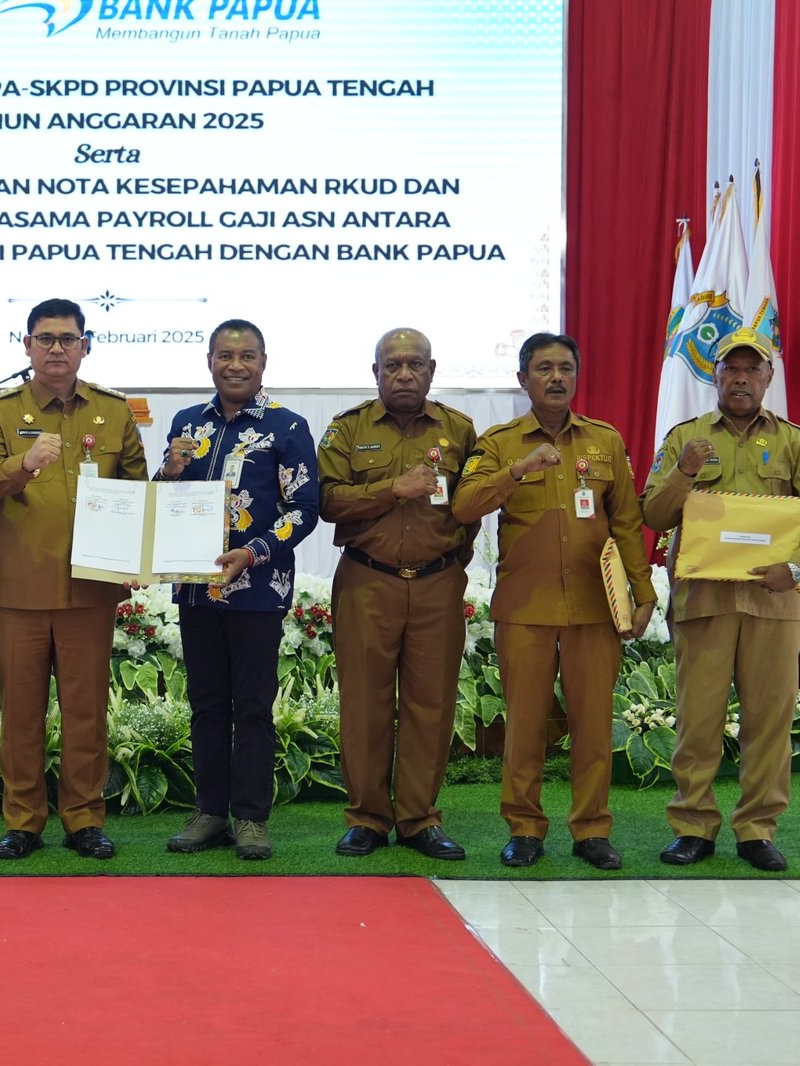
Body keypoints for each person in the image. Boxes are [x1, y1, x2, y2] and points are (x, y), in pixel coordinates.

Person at [641, 326, 800, 872]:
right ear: (715, 375)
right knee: (698, 720)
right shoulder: (685, 438)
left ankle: (757, 829)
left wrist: (798, 565)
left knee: (769, 720)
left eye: (751, 369)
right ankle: (694, 827)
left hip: (773, 602)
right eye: (730, 369)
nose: (740, 378)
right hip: (705, 599)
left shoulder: (793, 442)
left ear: (767, 378)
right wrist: (685, 471)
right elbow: (652, 515)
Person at [452, 333, 655, 869]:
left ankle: (591, 830)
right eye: (544, 368)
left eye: (566, 367)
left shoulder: (603, 441)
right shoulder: (499, 441)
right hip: (526, 607)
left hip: (596, 607)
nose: (556, 377)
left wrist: (644, 592)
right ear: (523, 379)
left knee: (593, 723)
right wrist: (517, 470)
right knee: (524, 724)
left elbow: (629, 524)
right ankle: (524, 828)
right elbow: (464, 506)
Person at [0, 298, 147, 860]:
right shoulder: (0, 412)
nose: (56, 349)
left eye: (67, 339)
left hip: (91, 588)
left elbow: (138, 492)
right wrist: (22, 464)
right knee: (21, 710)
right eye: (44, 339)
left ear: (85, 346)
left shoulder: (115, 412)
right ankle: (23, 821)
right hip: (23, 588)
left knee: (86, 710)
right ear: (26, 346)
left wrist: (139, 559)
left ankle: (83, 819)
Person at [158, 320, 319, 860]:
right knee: (205, 704)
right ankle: (209, 812)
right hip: (198, 590)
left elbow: (304, 509)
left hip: (257, 592)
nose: (235, 365)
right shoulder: (185, 423)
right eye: (225, 355)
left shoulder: (287, 427)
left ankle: (250, 817)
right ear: (208, 360)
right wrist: (170, 469)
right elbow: (164, 504)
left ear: (263, 362)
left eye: (246, 355)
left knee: (252, 705)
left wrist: (252, 553)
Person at [317, 327, 478, 861]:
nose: (404, 374)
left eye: (414, 365)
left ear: (432, 371)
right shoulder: (348, 429)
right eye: (392, 366)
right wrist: (393, 489)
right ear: (376, 373)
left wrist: (453, 558)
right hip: (368, 580)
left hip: (437, 583)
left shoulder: (459, 430)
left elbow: (471, 506)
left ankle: (419, 819)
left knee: (430, 703)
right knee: (364, 703)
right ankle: (366, 818)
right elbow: (329, 502)